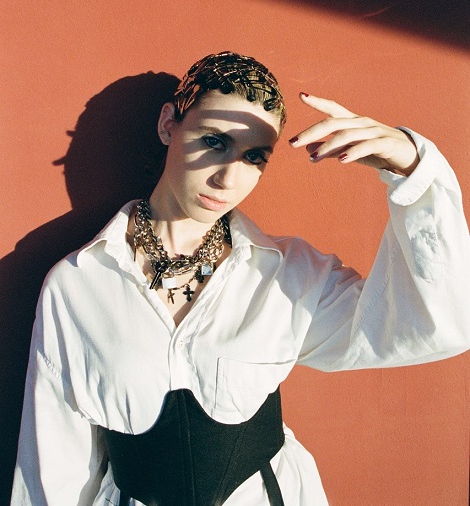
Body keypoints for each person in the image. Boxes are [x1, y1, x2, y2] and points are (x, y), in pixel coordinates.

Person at [11, 51, 470, 506]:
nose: (228, 178)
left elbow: (434, 325)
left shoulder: (288, 277)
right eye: (214, 141)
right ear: (169, 124)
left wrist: (411, 170)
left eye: (254, 156)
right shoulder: (78, 284)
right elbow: (52, 465)